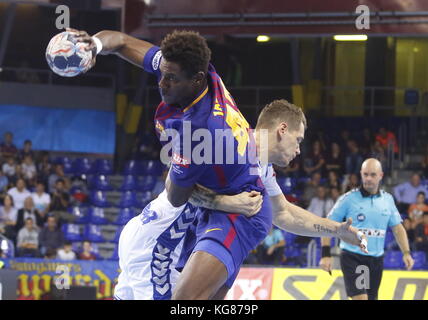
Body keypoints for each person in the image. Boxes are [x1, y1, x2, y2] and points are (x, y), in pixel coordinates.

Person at [69, 29, 366, 300]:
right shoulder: (202, 132)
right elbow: (175, 191)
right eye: (299, 139)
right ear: (282, 130)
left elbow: (284, 213)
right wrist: (225, 202)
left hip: (161, 239)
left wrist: (336, 230)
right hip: (156, 242)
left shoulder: (217, 92)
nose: (162, 82)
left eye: (171, 77)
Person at [319, 158, 414, 300]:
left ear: (381, 175)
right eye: (365, 174)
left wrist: (406, 253)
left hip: (376, 259)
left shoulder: (388, 200)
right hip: (353, 256)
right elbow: (327, 224)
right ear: (361, 174)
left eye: (373, 175)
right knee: (361, 298)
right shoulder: (348, 199)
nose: (368, 178)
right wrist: (326, 254)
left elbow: (398, 228)